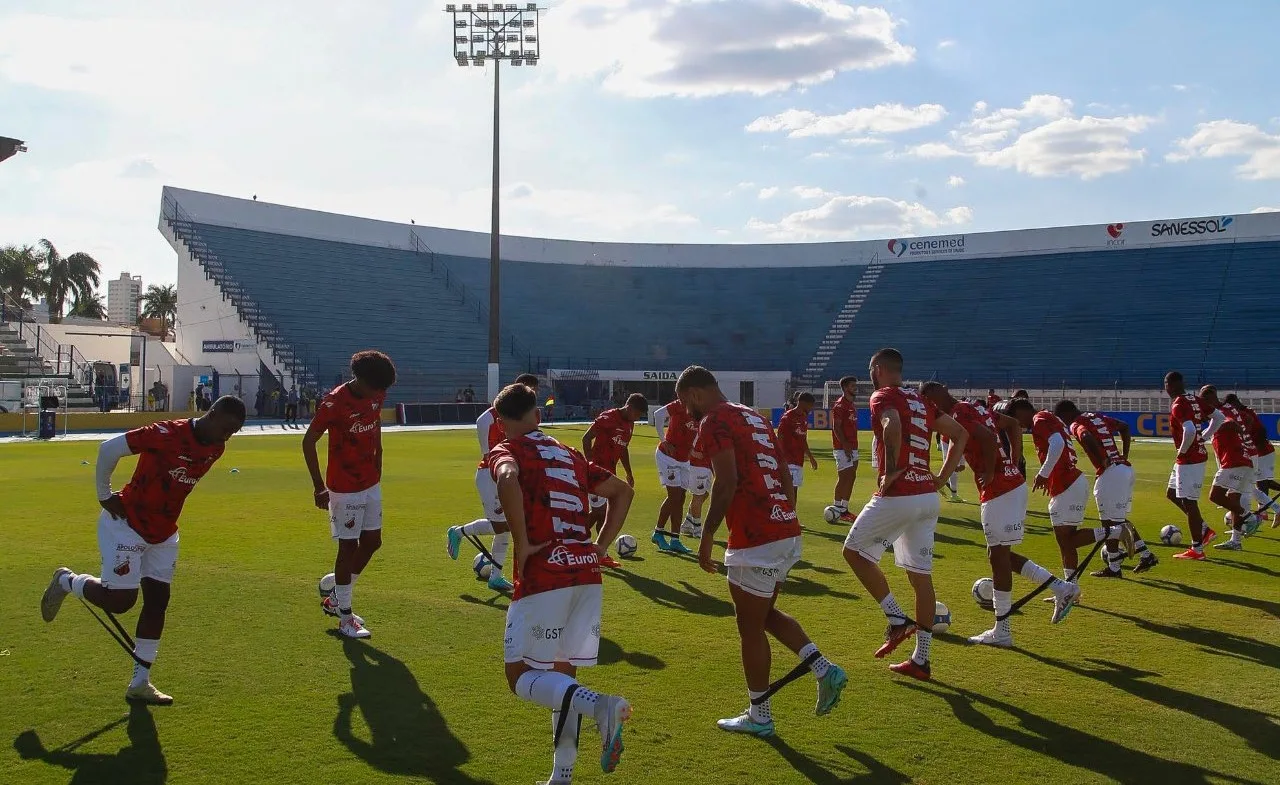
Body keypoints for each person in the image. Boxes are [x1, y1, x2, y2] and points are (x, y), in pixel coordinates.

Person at [40, 397, 247, 705]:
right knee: (121, 601)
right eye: (226, 427)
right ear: (212, 413)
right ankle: (66, 581)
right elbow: (108, 449)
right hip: (126, 523)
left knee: (158, 601)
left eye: (234, 431)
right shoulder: (164, 434)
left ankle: (140, 683)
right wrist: (103, 495)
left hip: (164, 533)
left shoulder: (216, 447)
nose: (227, 436)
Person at [678, 366, 846, 736]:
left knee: (749, 627)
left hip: (756, 535)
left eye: (683, 402)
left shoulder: (714, 420)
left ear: (693, 394)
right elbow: (785, 474)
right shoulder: (753, 416)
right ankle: (823, 669)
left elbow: (726, 481)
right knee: (764, 613)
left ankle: (760, 715)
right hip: (783, 527)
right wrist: (782, 515)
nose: (685, 410)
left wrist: (706, 535)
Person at [489, 382, 635, 782]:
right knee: (560, 680)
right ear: (538, 416)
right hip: (586, 574)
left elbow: (506, 479)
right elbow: (622, 492)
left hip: (545, 577)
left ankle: (602, 707)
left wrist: (522, 543)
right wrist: (600, 546)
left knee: (521, 678)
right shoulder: (569, 454)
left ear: (502, 423)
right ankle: (562, 775)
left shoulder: (508, 449)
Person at [921, 384, 1079, 647]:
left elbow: (984, 437)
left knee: (998, 557)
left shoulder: (960, 414)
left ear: (934, 396)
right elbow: (1014, 426)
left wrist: (993, 470)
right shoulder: (974, 408)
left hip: (999, 489)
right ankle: (1061, 588)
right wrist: (1013, 463)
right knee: (1001, 555)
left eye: (927, 401)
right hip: (1011, 484)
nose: (929, 407)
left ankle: (1003, 630)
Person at [843, 349, 968, 681]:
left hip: (900, 495)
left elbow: (892, 423)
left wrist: (893, 468)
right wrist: (940, 478)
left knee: (853, 552)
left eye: (871, 371)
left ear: (880, 370)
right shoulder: (920, 401)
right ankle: (921, 660)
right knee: (920, 577)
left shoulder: (882, 396)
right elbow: (960, 434)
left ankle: (897, 618)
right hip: (927, 496)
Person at [302, 350, 396, 638]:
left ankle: (336, 596)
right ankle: (344, 616)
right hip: (344, 486)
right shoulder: (334, 403)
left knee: (373, 542)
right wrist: (319, 486)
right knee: (348, 548)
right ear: (360, 379)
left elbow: (376, 425)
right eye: (376, 387)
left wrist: (379, 456)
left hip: (371, 481)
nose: (380, 393)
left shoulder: (376, 395)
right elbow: (308, 442)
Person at [446, 373, 542, 592]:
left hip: (513, 475)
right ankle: (459, 532)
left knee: (505, 529)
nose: (533, 394)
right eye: (529, 389)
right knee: (503, 525)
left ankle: (496, 577)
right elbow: (490, 455)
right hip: (492, 475)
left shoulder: (527, 416)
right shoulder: (487, 419)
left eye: (534, 391)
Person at [1054, 400, 1159, 576]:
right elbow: (1124, 427)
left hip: (1110, 473)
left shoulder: (1076, 424)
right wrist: (1124, 455)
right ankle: (1119, 564)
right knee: (1114, 520)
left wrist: (1101, 458)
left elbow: (1086, 436)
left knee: (1113, 522)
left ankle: (1138, 557)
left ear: (1065, 415)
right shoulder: (1096, 417)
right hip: (1123, 469)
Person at [1007, 399, 1098, 590]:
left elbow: (1057, 444)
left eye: (1016, 418)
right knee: (1066, 543)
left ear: (1023, 411)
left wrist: (1043, 474)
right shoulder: (1047, 418)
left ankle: (1114, 531)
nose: (1019, 424)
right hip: (1068, 484)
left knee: (1067, 540)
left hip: (1068, 484)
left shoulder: (1039, 419)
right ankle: (1070, 589)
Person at [1163, 371, 1225, 560]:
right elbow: (1219, 417)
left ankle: (1197, 549)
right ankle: (1204, 529)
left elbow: (1189, 430)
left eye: (1165, 384)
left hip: (1189, 459)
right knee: (1172, 493)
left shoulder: (1179, 404)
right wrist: (1204, 437)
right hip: (1193, 457)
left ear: (1170, 385)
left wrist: (1182, 450)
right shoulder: (1194, 400)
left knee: (1190, 502)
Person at [582, 394, 648, 566]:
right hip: (596, 473)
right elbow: (586, 438)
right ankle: (581, 545)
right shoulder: (608, 418)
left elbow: (623, 448)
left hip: (609, 474)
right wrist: (589, 464)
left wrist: (628, 472)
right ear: (630, 408)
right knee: (600, 513)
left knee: (601, 514)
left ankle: (588, 547)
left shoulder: (629, 424)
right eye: (638, 414)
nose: (638, 418)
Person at [1198, 386, 1262, 550]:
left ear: (1210, 398)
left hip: (1234, 460)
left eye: (1204, 402)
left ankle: (1249, 516)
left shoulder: (1220, 412)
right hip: (1242, 458)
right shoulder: (1229, 408)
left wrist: (1203, 436)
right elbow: (1245, 419)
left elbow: (1230, 423)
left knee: (1215, 496)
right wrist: (1242, 433)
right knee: (1233, 499)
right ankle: (1236, 541)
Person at [1223, 393, 1280, 524]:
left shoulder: (1247, 413)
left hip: (1263, 452)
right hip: (1258, 453)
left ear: (1234, 403)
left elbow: (1262, 432)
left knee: (1259, 483)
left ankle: (1263, 513)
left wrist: (1251, 447)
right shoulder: (1239, 414)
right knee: (1261, 482)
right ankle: (1266, 511)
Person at [649, 399, 697, 554]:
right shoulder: (680, 404)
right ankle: (658, 532)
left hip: (684, 459)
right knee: (674, 496)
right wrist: (664, 440)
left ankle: (675, 539)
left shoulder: (703, 409)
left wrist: (693, 446)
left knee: (681, 497)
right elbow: (658, 414)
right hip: (667, 456)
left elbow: (701, 430)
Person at [777, 392, 819, 509]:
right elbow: (779, 436)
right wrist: (780, 457)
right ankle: (788, 517)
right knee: (789, 490)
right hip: (788, 459)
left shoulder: (803, 418)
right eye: (810, 405)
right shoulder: (788, 416)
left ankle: (791, 517)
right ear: (803, 403)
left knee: (793, 490)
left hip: (798, 460)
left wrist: (811, 458)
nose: (811, 408)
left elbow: (803, 439)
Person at [829, 376, 860, 523]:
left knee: (852, 476)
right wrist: (845, 444)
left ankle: (844, 509)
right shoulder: (840, 405)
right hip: (843, 448)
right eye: (853, 386)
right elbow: (836, 427)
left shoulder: (851, 404)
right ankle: (836, 507)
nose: (855, 388)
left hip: (853, 446)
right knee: (844, 477)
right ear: (846, 388)